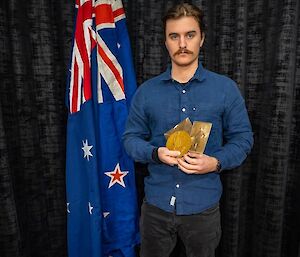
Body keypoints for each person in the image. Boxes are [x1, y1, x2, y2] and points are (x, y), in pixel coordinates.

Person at [123, 3, 253, 257]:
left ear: (202, 38)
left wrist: (215, 162)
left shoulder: (225, 89)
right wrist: (155, 153)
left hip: (203, 208)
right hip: (156, 208)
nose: (182, 43)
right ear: (165, 41)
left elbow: (243, 139)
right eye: (174, 36)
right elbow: (130, 139)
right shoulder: (146, 92)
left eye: (190, 35)